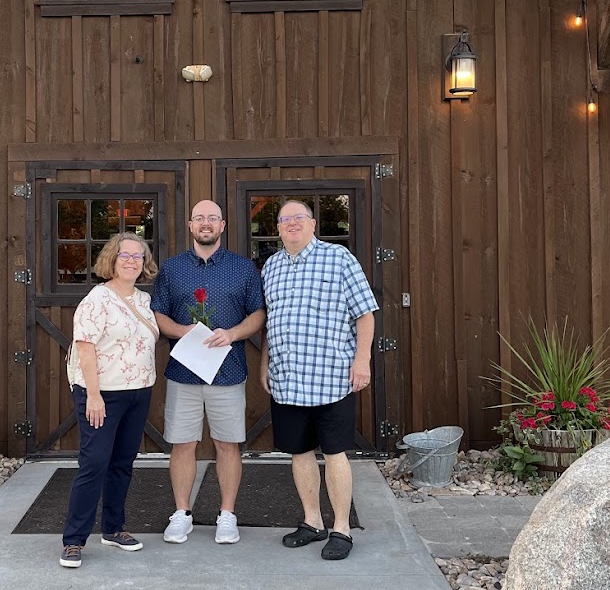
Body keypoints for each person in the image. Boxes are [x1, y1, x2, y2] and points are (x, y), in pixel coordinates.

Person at [260, 200, 378, 561]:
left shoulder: (339, 258)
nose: (292, 224)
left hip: (331, 378)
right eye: (285, 219)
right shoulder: (271, 266)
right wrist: (265, 363)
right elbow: (270, 321)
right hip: (287, 378)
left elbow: (365, 314)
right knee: (299, 453)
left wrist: (362, 360)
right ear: (278, 228)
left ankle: (341, 528)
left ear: (313, 224)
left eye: (300, 218)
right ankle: (312, 522)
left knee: (334, 453)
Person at [151, 201, 266, 545]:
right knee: (182, 444)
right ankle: (181, 514)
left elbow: (258, 313)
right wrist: (182, 331)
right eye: (199, 218)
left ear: (222, 225)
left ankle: (227, 515)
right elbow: (158, 314)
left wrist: (232, 334)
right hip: (183, 372)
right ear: (190, 225)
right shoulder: (171, 269)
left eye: (212, 218)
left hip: (227, 372)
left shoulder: (243, 268)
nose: (206, 223)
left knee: (227, 445)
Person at [59, 232, 160, 568]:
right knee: (94, 464)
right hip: (103, 395)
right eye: (124, 255)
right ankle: (74, 540)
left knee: (122, 463)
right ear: (112, 260)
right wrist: (93, 396)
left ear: (144, 263)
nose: (131, 261)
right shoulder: (97, 299)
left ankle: (114, 529)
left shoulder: (144, 301)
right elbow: (85, 348)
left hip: (138, 392)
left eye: (137, 256)